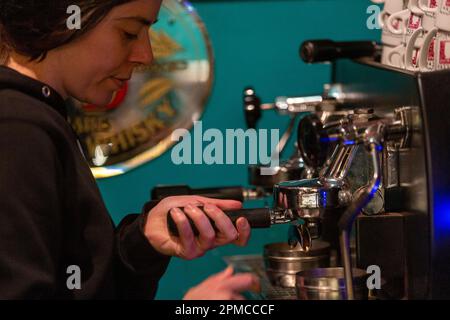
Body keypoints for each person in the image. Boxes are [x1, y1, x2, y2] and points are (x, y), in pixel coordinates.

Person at [0, 0, 259, 299]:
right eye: (129, 32)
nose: (146, 56)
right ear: (64, 19)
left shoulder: (40, 115)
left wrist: (142, 242)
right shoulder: (18, 126)